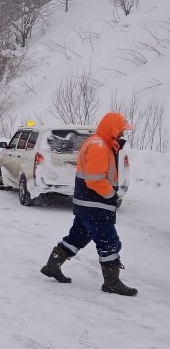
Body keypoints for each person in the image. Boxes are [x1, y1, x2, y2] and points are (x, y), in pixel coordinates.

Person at [40, 112, 137, 296]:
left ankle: (52, 266)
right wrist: (111, 195)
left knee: (77, 237)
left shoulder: (101, 143)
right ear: (113, 129)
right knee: (109, 242)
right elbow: (94, 179)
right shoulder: (99, 146)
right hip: (96, 206)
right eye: (121, 131)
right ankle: (111, 283)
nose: (122, 135)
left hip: (89, 205)